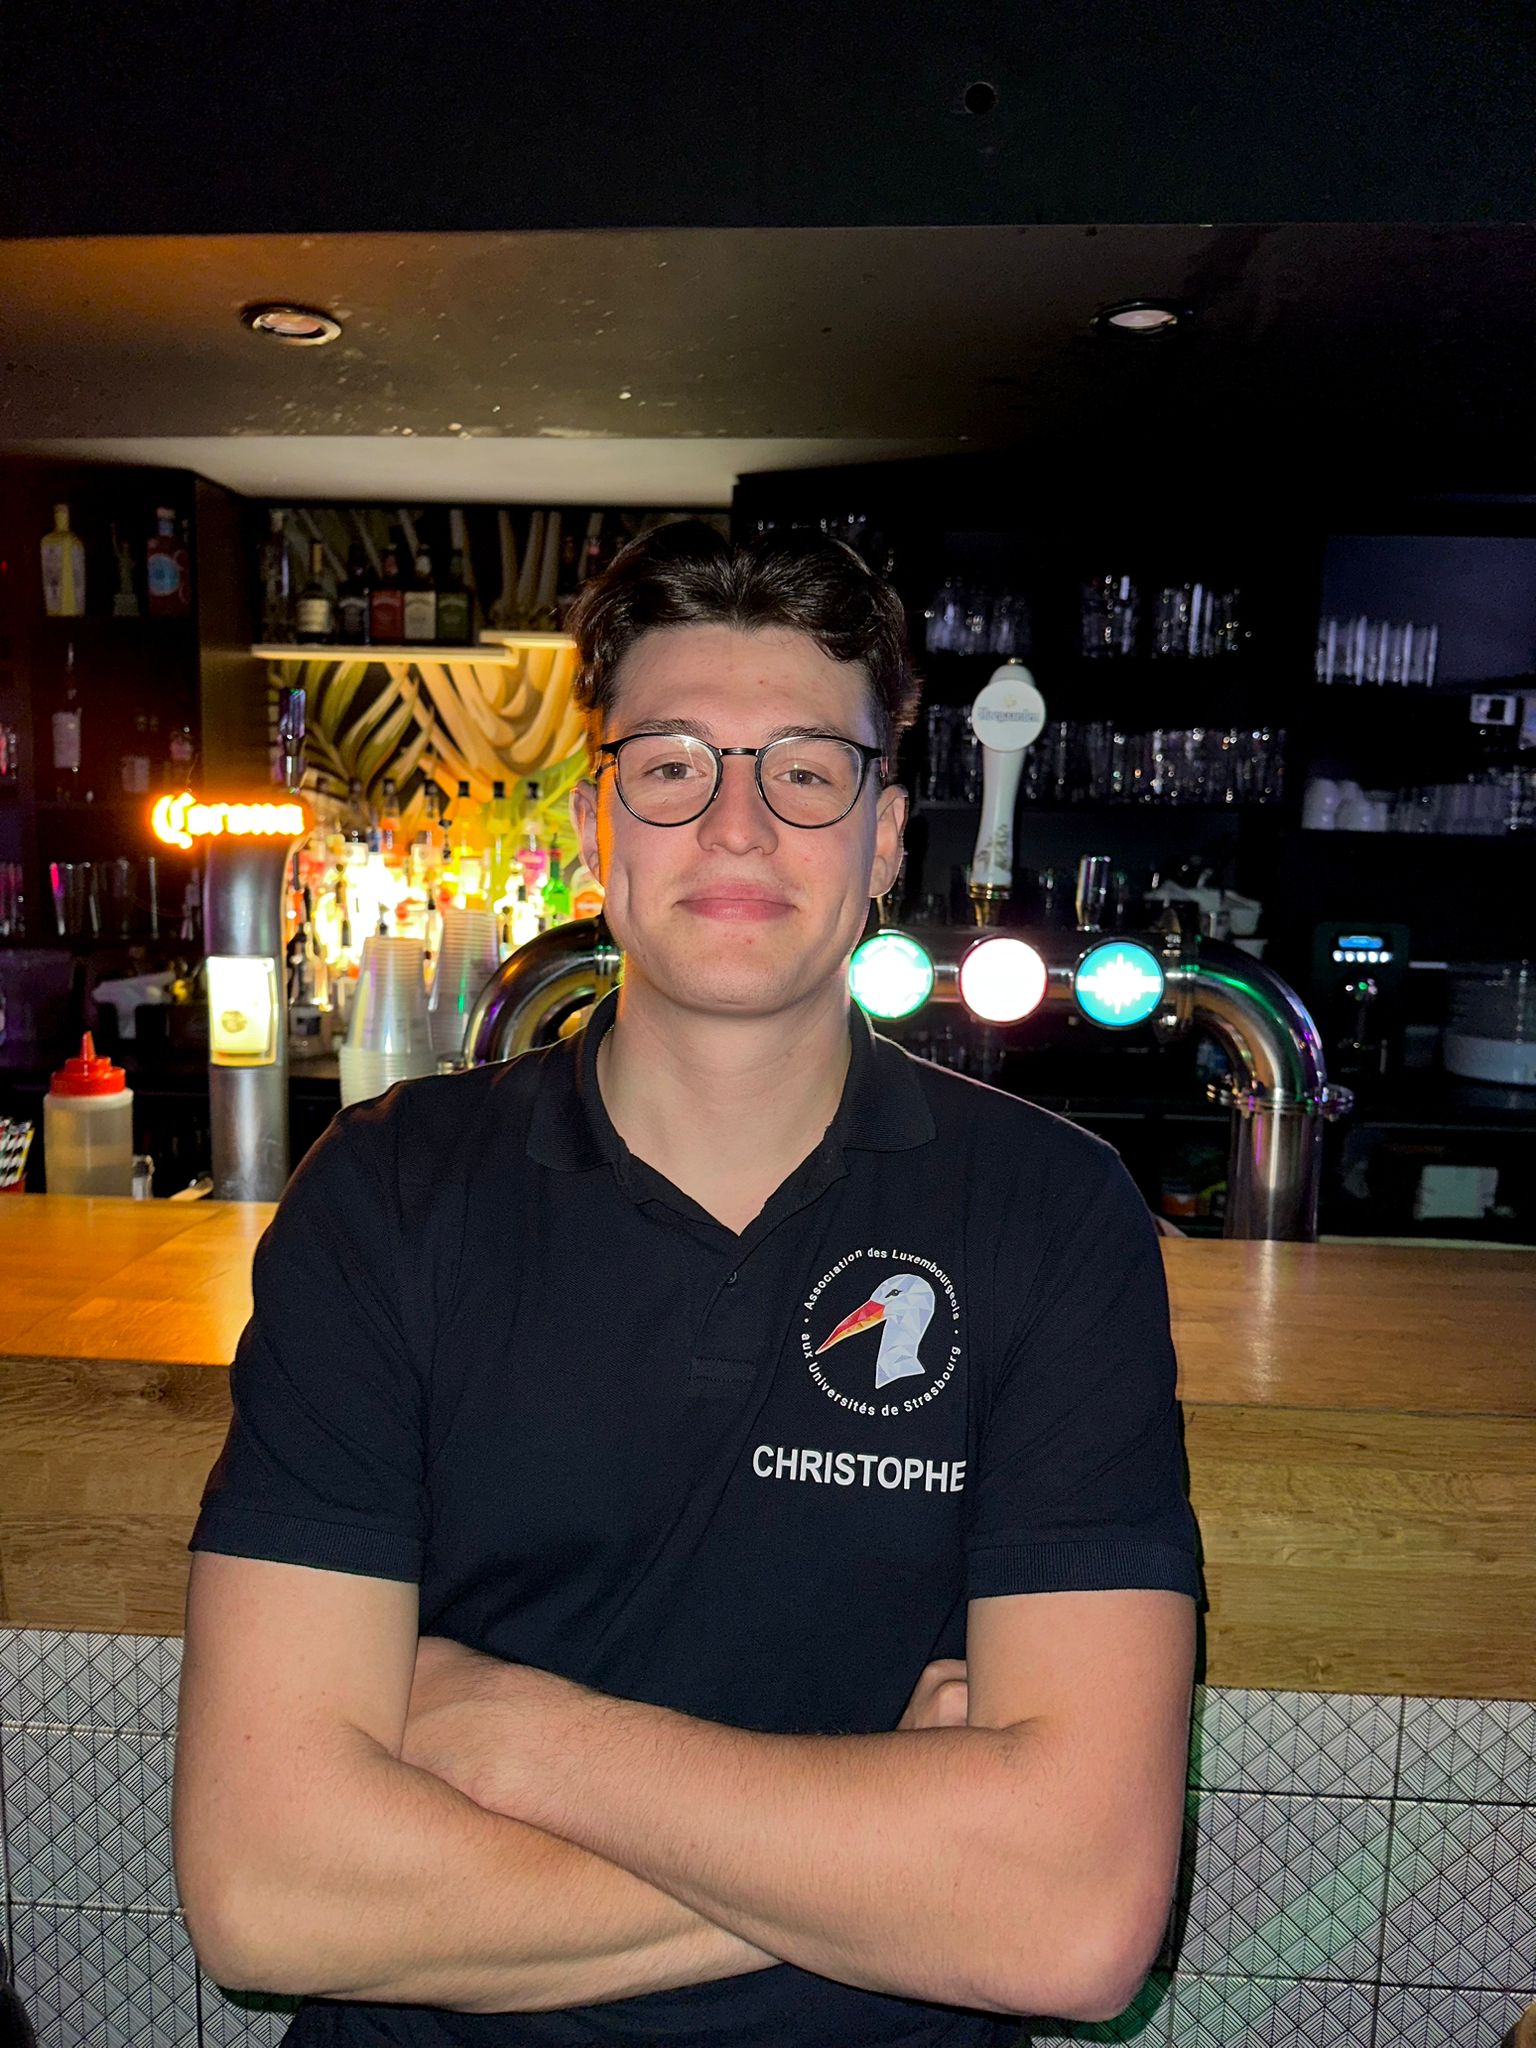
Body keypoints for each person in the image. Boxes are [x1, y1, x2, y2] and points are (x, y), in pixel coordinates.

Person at [173, 522, 1202, 2048]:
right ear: (602, 824)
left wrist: (514, 1736)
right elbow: (270, 1895)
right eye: (671, 767)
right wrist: (905, 1862)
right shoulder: (389, 1193)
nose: (736, 827)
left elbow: (1075, 1924)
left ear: (885, 837)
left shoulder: (1050, 1216)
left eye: (806, 773)